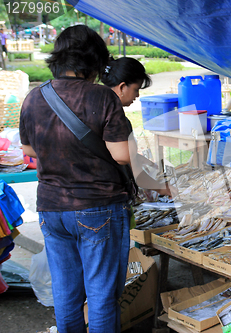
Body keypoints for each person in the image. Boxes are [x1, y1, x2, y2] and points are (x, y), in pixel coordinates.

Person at [19, 25, 132, 333]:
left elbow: (28, 149)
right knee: (101, 295)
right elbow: (121, 154)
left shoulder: (34, 97)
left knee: (66, 294)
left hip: (52, 208)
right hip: (98, 206)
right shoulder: (101, 97)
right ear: (93, 61)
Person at [101, 57, 175, 196]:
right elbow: (134, 171)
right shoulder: (116, 118)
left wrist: (142, 160)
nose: (138, 95)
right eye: (136, 89)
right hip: (110, 195)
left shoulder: (97, 109)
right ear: (122, 87)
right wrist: (165, 189)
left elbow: (111, 151)